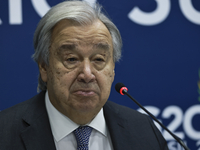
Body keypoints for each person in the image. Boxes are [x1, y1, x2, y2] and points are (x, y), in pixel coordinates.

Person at [0, 0, 169, 150]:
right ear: (44, 67)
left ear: (112, 70)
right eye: (71, 59)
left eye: (98, 59)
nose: (87, 74)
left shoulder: (144, 131)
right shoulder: (4, 133)